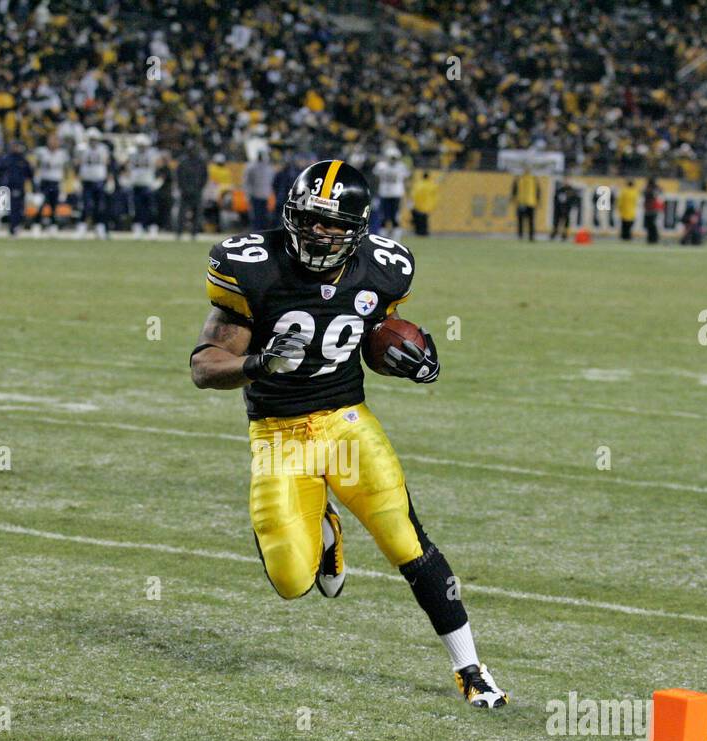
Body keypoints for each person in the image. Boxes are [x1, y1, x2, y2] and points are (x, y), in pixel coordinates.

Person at [189, 159, 508, 710]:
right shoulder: (253, 266)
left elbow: (371, 338)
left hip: (346, 421)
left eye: (334, 224)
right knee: (292, 580)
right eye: (311, 218)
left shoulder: (384, 267)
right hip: (278, 434)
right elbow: (204, 365)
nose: (319, 232)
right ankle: (325, 528)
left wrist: (411, 358)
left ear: (357, 228)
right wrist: (257, 364)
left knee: (406, 542)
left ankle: (470, 666)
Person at [75, 127, 112, 238]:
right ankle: (82, 228)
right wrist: (77, 179)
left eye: (95, 139)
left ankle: (100, 228)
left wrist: (110, 178)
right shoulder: (81, 149)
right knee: (86, 206)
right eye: (91, 139)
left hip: (100, 180)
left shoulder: (103, 149)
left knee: (100, 206)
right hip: (86, 181)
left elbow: (108, 164)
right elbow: (77, 164)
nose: (93, 141)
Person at [372, 145, 409, 240]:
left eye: (394, 158)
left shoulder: (401, 166)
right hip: (384, 194)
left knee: (395, 218)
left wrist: (408, 196)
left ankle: (396, 240)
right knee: (383, 217)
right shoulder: (381, 166)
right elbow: (376, 180)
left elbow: (406, 181)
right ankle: (382, 239)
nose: (393, 160)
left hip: (396, 194)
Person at [32, 133, 68, 232]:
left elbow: (65, 169)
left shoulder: (62, 153)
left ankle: (53, 225)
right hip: (45, 181)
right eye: (51, 140)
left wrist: (65, 183)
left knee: (54, 205)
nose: (53, 142)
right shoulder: (42, 152)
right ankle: (36, 223)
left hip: (56, 181)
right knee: (42, 203)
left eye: (55, 140)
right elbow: (36, 165)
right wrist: (36, 178)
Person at [0, 140, 33, 235]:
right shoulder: (7, 159)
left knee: (18, 208)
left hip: (19, 187)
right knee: (11, 208)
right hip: (8, 187)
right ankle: (13, 227)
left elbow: (30, 174)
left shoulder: (23, 159)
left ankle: (15, 226)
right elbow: (0, 171)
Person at [175, 142, 207, 239]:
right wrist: (182, 188)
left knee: (196, 213)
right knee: (182, 213)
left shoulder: (200, 162)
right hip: (185, 192)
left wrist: (200, 187)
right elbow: (178, 176)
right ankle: (179, 232)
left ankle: (194, 233)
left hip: (196, 191)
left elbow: (204, 177)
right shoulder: (183, 162)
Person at [243, 150, 275, 231]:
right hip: (256, 195)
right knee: (257, 216)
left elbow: (271, 181)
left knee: (263, 216)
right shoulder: (252, 167)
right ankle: (257, 231)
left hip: (263, 195)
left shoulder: (267, 168)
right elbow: (247, 181)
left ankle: (261, 231)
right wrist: (248, 193)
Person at [410, 171, 439, 236]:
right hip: (427, 205)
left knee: (418, 220)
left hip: (418, 205)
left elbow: (414, 194)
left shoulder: (418, 184)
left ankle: (418, 232)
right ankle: (424, 232)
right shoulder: (431, 184)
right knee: (425, 219)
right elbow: (435, 192)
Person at [513, 167, 538, 240]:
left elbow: (537, 190)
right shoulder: (519, 178)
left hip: (531, 203)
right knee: (520, 220)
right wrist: (514, 198)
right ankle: (520, 235)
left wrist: (537, 200)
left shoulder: (534, 179)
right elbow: (514, 189)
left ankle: (531, 236)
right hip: (521, 202)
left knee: (531, 221)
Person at [643, 178, 662, 244]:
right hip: (651, 209)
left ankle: (653, 238)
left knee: (651, 225)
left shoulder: (650, 189)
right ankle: (652, 238)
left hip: (651, 209)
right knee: (651, 225)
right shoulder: (653, 189)